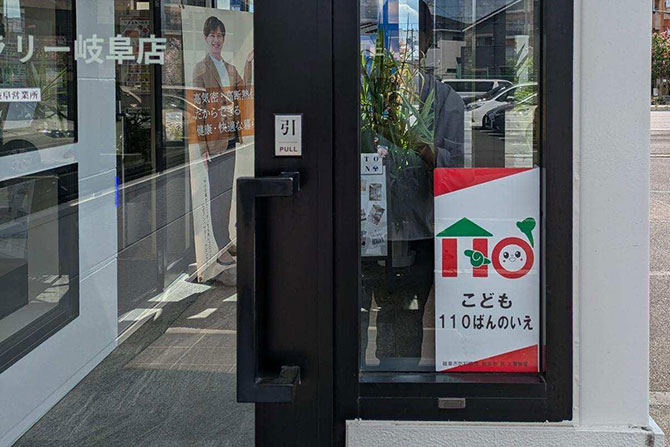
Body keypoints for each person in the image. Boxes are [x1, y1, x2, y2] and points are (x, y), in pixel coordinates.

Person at [360, 0, 465, 369]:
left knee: (402, 328)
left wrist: (420, 144)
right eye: (386, 36)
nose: (396, 47)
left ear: (424, 43)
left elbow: (456, 171)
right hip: (360, 232)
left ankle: (393, 391)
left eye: (405, 36)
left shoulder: (446, 101)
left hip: (416, 236)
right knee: (346, 322)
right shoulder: (361, 97)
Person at [192, 16, 246, 268]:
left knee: (227, 193)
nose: (216, 40)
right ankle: (220, 248)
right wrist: (203, 148)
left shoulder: (230, 68)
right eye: (212, 35)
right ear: (206, 38)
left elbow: (244, 92)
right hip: (214, 141)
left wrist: (249, 63)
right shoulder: (201, 69)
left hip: (230, 137)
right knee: (218, 196)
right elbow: (197, 111)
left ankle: (225, 242)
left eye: (220, 36)